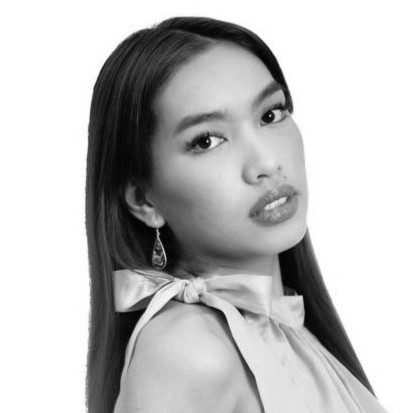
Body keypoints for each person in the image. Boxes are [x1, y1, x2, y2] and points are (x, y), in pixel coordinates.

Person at [85, 16, 389, 413]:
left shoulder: (286, 329)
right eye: (207, 140)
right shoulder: (188, 350)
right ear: (145, 201)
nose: (265, 162)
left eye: (271, 114)